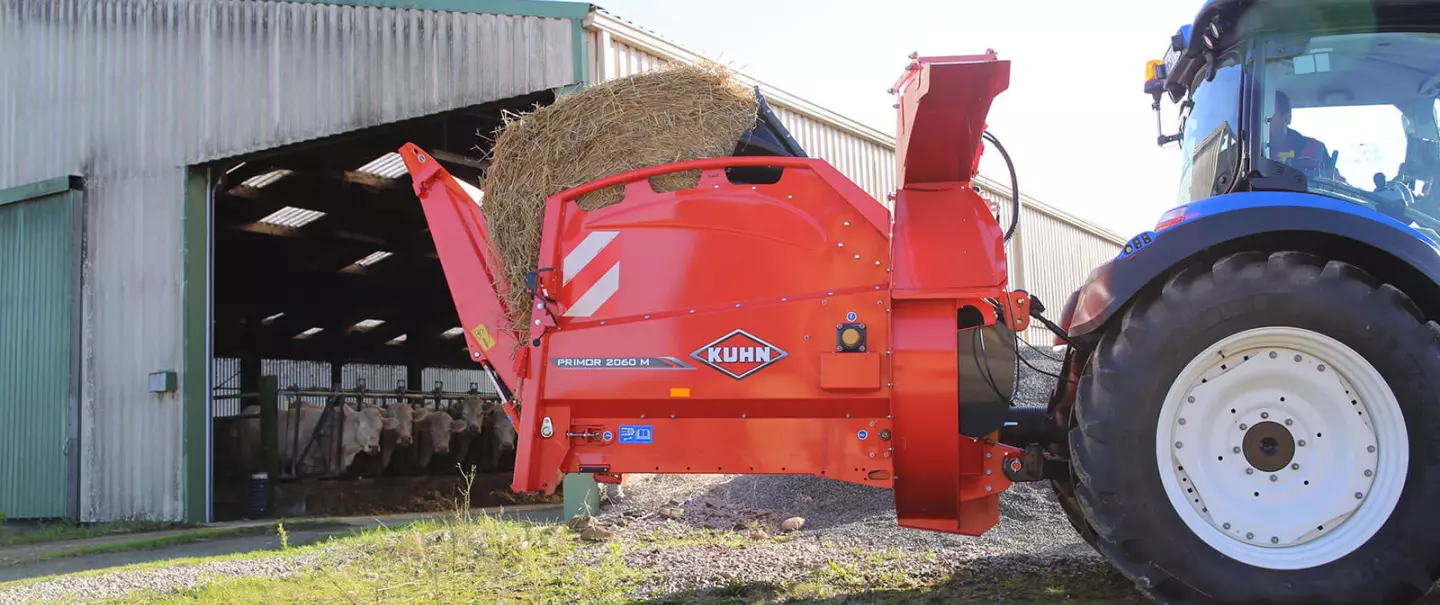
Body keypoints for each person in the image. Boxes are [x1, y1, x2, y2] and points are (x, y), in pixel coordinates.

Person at [1269, 91, 1342, 180]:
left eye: (1268, 113)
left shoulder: (1315, 149)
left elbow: (1336, 185)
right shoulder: (1249, 151)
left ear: (1287, 118)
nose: (1261, 119)